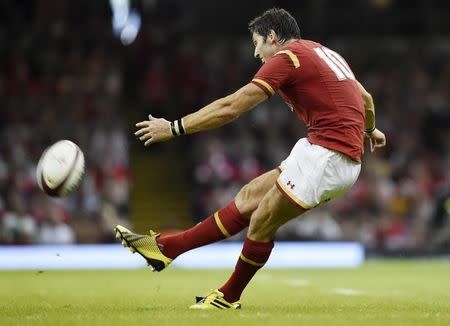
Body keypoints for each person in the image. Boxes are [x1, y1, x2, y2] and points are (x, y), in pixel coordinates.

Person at [115, 8, 386, 310]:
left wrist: (174, 127)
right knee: (247, 199)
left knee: (261, 220)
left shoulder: (287, 58)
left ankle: (229, 296)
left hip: (329, 157)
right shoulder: (320, 52)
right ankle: (166, 248)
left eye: (257, 43)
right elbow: (366, 99)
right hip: (319, 149)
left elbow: (232, 106)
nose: (256, 53)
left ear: (272, 36)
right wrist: (371, 130)